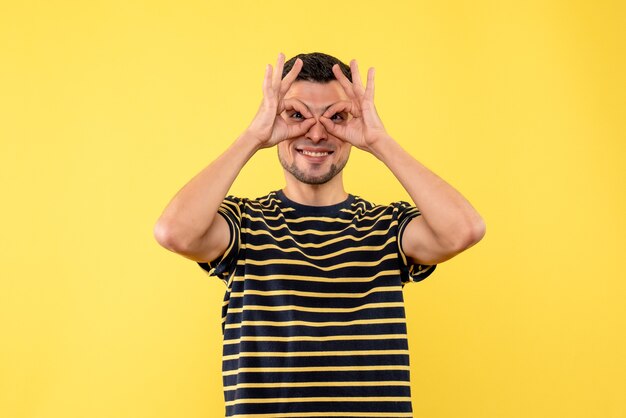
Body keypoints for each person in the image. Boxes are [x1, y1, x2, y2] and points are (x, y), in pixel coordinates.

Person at [154, 52, 486, 418]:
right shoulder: (244, 224)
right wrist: (253, 135)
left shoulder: (386, 226)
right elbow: (174, 232)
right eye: (296, 115)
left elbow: (464, 229)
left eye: (335, 117)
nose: (316, 132)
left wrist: (378, 140)